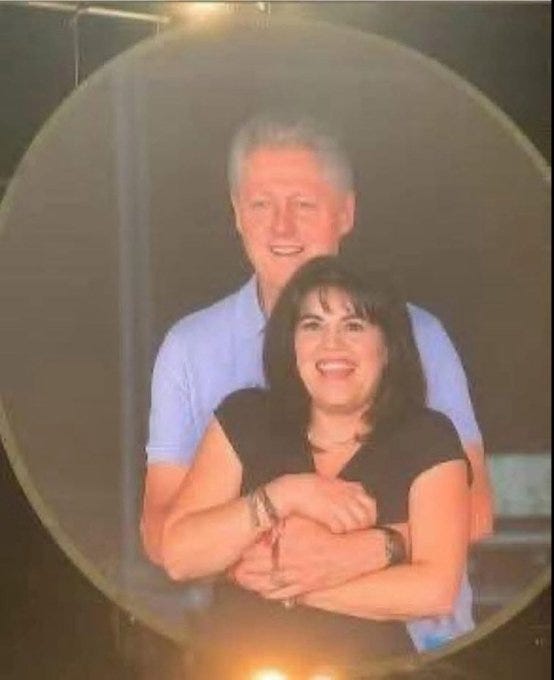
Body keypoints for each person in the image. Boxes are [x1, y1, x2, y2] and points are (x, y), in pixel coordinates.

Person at [141, 112, 493, 650]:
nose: (281, 228)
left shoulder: (422, 337)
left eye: (303, 205)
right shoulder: (194, 353)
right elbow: (165, 538)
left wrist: (361, 551)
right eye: (261, 205)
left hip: (421, 647)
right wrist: (283, 538)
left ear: (345, 212)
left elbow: (476, 512)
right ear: (236, 214)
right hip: (264, 652)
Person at [160, 256, 471, 669]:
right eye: (312, 325)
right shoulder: (245, 417)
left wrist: (293, 580)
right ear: (291, 344)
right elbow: (180, 556)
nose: (332, 345)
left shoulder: (427, 436)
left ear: (388, 347)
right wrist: (285, 495)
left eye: (353, 325)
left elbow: (435, 590)